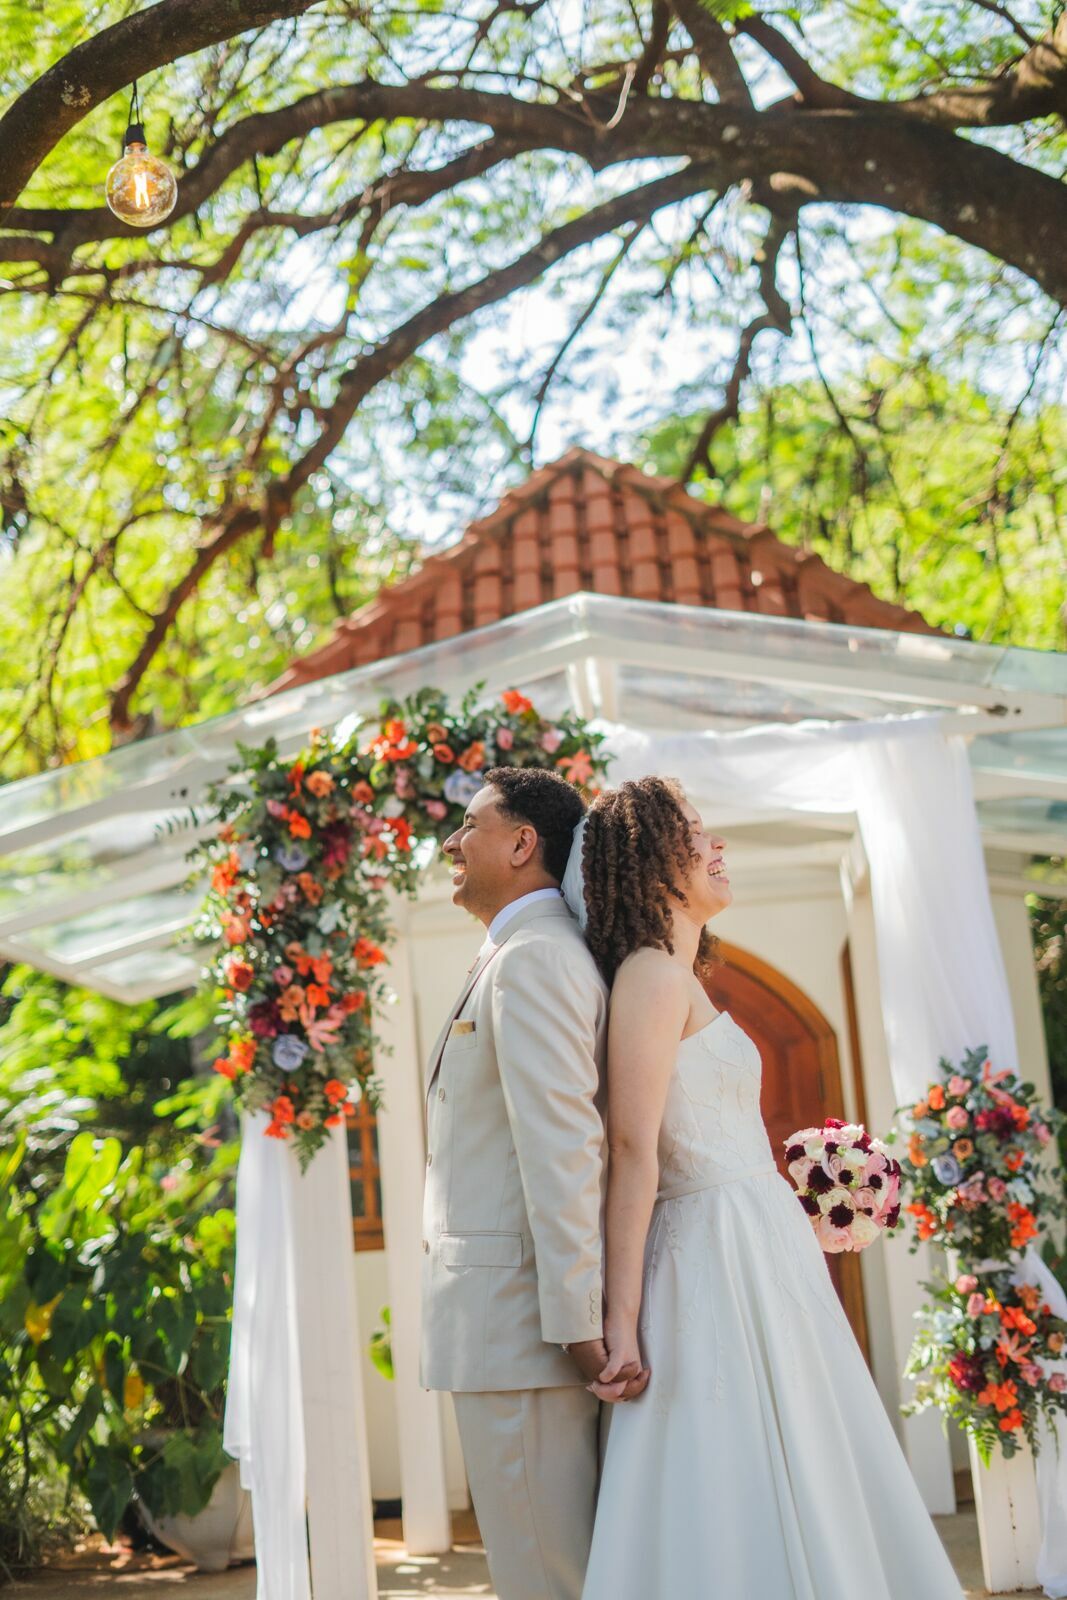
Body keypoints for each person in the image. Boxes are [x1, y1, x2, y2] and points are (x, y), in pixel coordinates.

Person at [570, 776, 964, 1600]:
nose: (716, 844)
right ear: (649, 859)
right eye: (694, 831)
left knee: (809, 1446)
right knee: (728, 1455)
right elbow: (633, 1150)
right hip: (711, 1254)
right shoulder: (649, 975)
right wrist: (620, 1319)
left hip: (756, 1238)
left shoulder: (678, 974)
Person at [420, 766, 634, 1600]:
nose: (451, 843)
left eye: (468, 826)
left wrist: (580, 1326)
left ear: (521, 843)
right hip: (508, 1338)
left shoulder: (535, 959)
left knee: (548, 1579)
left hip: (525, 1339)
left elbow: (563, 1152)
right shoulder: (514, 954)